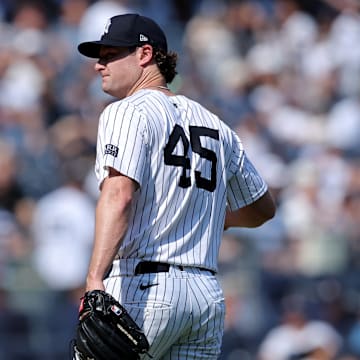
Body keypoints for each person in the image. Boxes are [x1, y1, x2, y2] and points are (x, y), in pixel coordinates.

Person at [76, 13, 276, 359]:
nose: (98, 65)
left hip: (144, 287)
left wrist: (95, 279)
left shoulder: (126, 111)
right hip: (205, 296)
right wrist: (219, 219)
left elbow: (119, 195)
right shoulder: (217, 126)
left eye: (110, 55)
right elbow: (262, 208)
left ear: (144, 54)